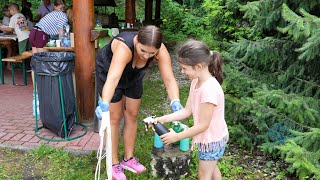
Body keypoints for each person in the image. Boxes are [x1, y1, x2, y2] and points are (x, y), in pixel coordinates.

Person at [95, 25, 183, 180]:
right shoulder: (124, 48)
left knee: (132, 114)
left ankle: (128, 159)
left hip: (134, 74)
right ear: (137, 41)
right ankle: (114, 164)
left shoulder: (159, 50)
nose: (146, 56)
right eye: (143, 50)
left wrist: (175, 101)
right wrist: (104, 102)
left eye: (152, 53)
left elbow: (169, 80)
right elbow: (113, 79)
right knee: (114, 118)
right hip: (109, 71)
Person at [147, 39, 229, 180]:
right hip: (207, 138)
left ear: (198, 66)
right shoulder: (196, 82)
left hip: (211, 141)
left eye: (184, 68)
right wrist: (162, 119)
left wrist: (177, 137)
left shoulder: (209, 91)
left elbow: (203, 125)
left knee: (204, 175)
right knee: (212, 168)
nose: (182, 71)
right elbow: (186, 111)